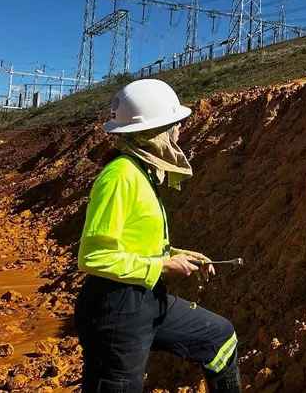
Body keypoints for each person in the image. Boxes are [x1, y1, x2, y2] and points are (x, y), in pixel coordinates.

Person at [73, 79, 240, 393]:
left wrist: (178, 254)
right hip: (115, 308)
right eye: (175, 125)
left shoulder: (142, 173)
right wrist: (164, 267)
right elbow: (93, 257)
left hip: (147, 297)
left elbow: (137, 242)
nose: (179, 132)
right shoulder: (120, 176)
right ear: (158, 131)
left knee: (220, 338)